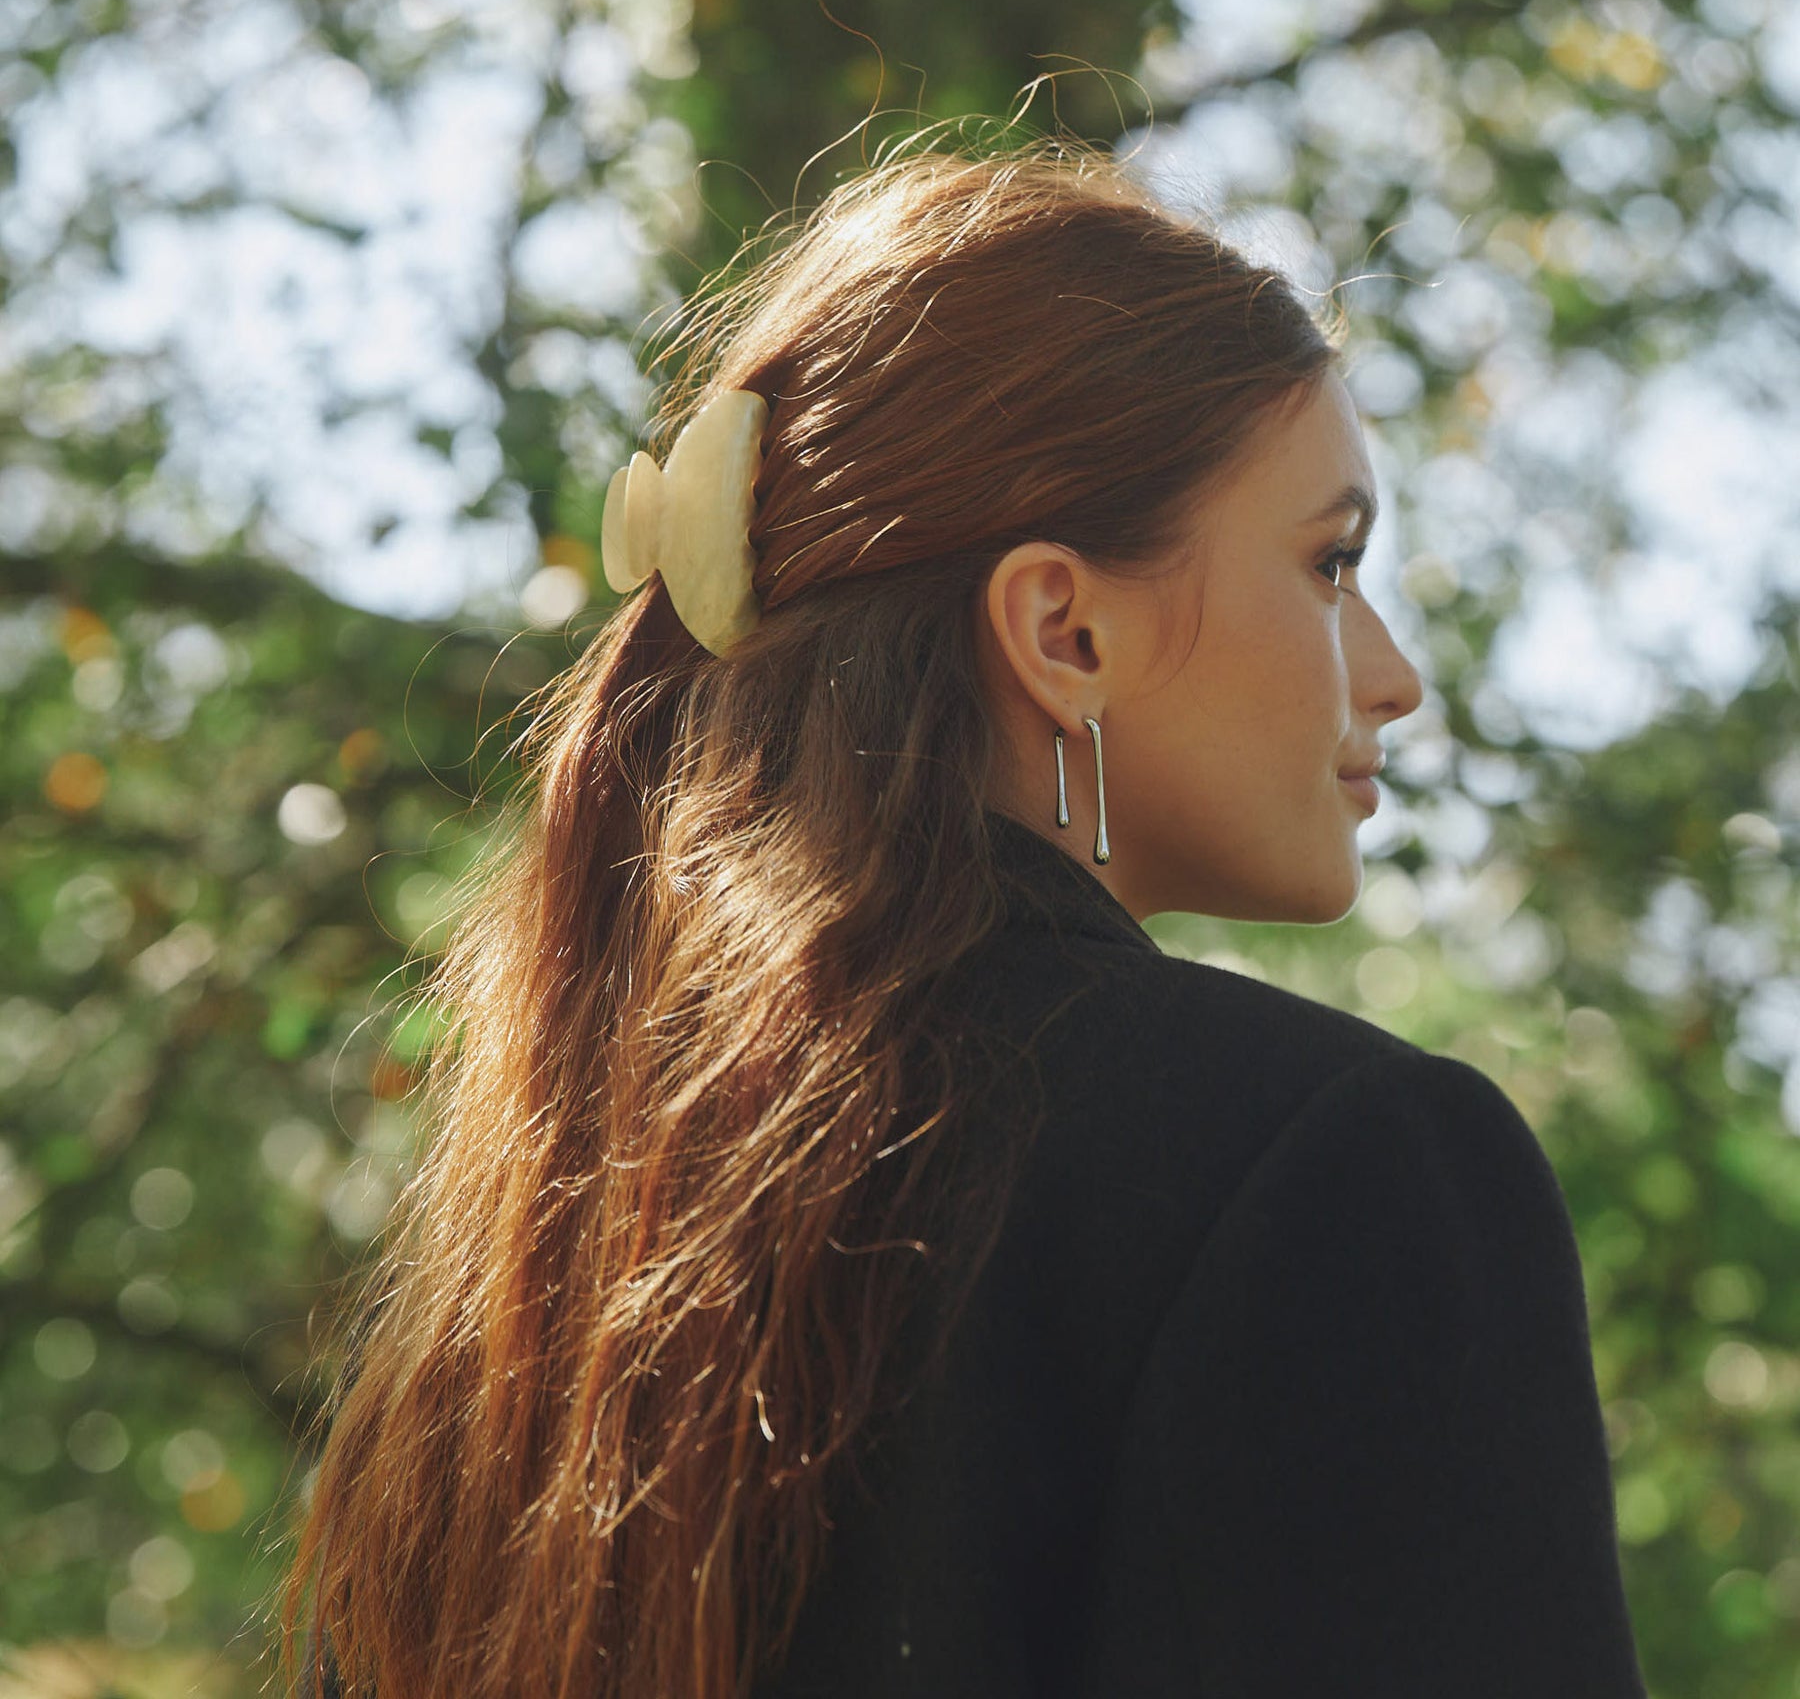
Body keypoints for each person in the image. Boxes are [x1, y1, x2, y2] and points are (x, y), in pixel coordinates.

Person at [281, 137, 1650, 1699]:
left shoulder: (528, 1277)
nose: (1392, 674)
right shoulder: (1343, 1169)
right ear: (1064, 628)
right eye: (1330, 562)